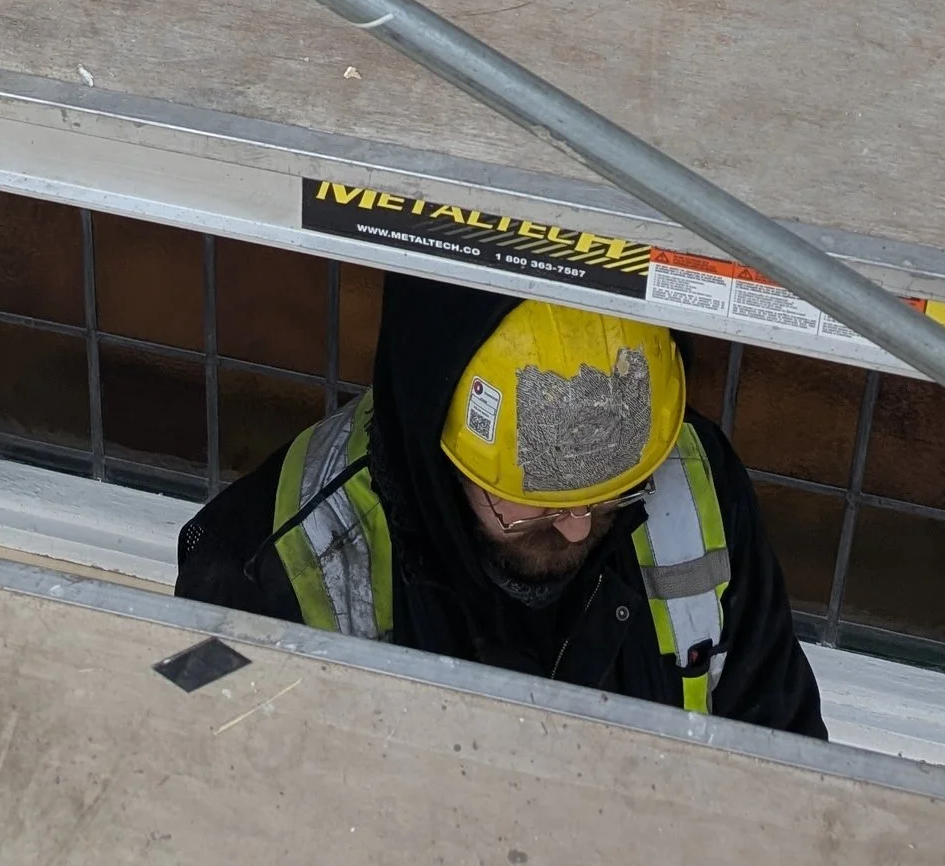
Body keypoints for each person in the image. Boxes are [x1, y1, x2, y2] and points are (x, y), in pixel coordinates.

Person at [175, 274, 824, 733]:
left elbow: (784, 753)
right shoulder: (262, 566)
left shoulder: (692, 475)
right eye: (533, 507)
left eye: (607, 501)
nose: (574, 531)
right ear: (437, 455)